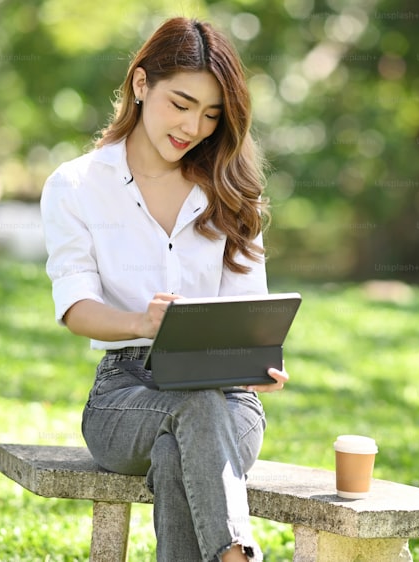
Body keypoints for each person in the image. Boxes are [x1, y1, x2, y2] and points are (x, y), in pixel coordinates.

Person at [39, 17, 287, 562]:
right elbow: (76, 308)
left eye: (211, 114)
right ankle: (236, 554)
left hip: (229, 404)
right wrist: (142, 323)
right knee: (187, 412)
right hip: (124, 394)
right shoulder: (77, 187)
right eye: (181, 103)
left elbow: (249, 310)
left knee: (184, 444)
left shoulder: (230, 190)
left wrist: (256, 361)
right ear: (141, 84)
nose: (194, 126)